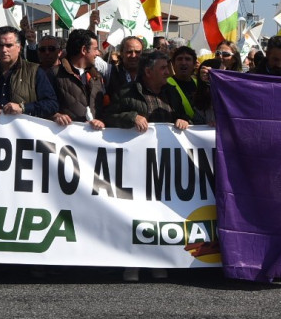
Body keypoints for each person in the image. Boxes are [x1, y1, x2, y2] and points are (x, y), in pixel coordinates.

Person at [101, 50, 186, 282]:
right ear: (148, 72)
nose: (168, 72)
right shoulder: (127, 92)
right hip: (135, 167)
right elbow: (108, 117)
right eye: (163, 68)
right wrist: (131, 117)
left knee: (161, 213)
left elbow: (187, 117)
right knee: (137, 214)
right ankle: (133, 264)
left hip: (164, 166)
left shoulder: (172, 92)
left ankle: (159, 261)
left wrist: (183, 120)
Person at [0, 26, 59, 119]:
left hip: (23, 131)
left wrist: (23, 108)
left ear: (18, 47)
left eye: (9, 45)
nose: (4, 50)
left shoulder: (35, 71)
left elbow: (52, 104)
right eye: (0, 45)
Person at [51, 29, 105, 129]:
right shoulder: (54, 74)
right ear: (84, 50)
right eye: (95, 49)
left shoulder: (97, 76)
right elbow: (45, 106)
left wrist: (101, 121)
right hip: (65, 140)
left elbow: (104, 108)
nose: (98, 53)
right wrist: (56, 116)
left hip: (94, 139)